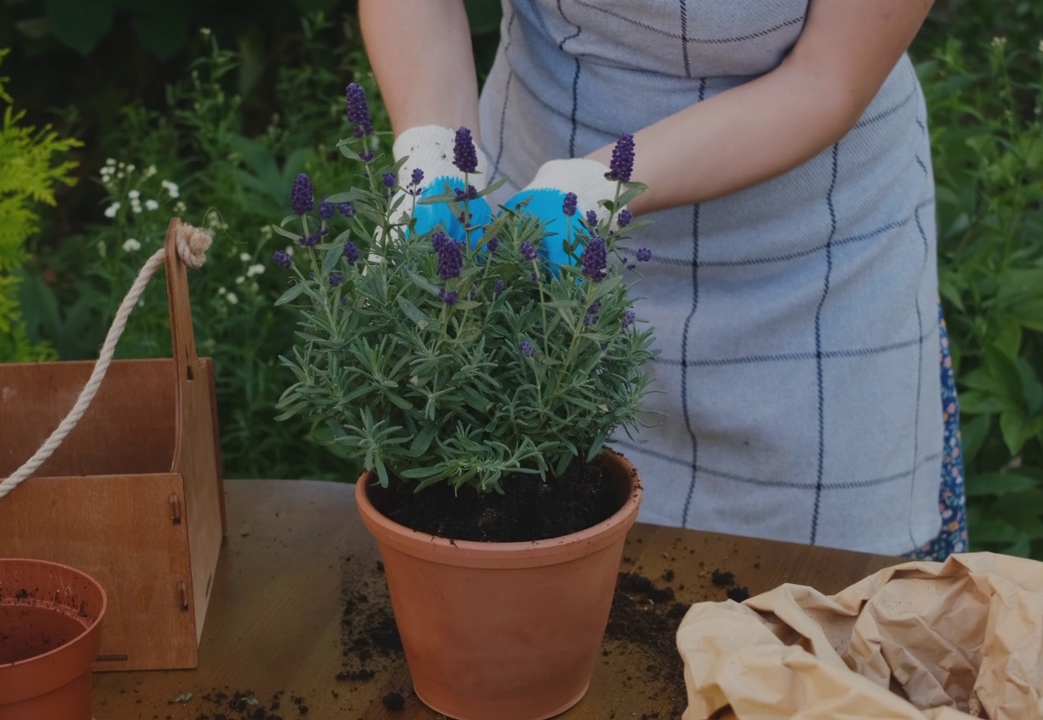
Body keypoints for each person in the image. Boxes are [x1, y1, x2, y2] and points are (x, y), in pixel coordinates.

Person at [358, 0, 966, 559]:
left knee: (817, 628)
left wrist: (594, 188)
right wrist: (435, 156)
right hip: (536, 224)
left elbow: (827, 79)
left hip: (810, 270)